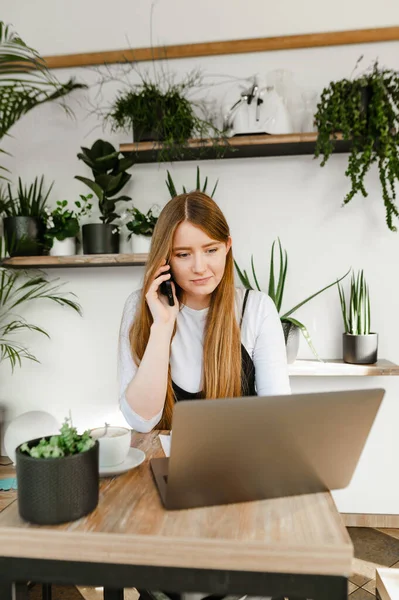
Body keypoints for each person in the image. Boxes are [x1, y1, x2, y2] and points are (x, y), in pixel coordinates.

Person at [118, 191, 291, 434]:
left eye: (211, 250)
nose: (199, 267)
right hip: (164, 465)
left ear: (227, 247)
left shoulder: (256, 309)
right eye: (183, 254)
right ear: (165, 258)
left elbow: (278, 418)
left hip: (239, 465)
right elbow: (141, 421)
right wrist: (162, 326)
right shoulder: (140, 307)